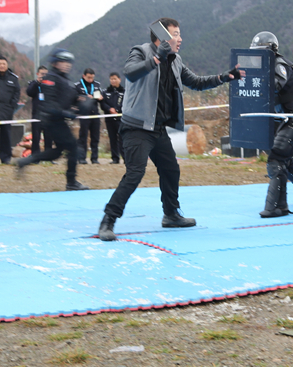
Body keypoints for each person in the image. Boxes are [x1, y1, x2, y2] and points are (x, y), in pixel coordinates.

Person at [97, 17, 243, 240]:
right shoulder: (141, 51)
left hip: (157, 129)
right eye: (175, 34)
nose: (180, 39)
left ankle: (171, 214)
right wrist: (156, 58)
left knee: (171, 169)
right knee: (135, 173)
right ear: (162, 37)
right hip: (136, 127)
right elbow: (130, 72)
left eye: (179, 34)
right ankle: (108, 220)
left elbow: (196, 82)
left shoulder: (176, 60)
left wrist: (223, 77)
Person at [246, 31, 293, 218]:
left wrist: (252, 83)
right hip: (284, 118)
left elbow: (275, 85)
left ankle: (277, 207)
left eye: (260, 52)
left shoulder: (279, 65)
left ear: (270, 51)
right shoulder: (266, 68)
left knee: (277, 155)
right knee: (284, 157)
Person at [16, 50, 89, 191]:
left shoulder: (65, 79)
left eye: (68, 62)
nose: (67, 65)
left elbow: (70, 97)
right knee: (73, 147)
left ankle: (26, 161)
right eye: (63, 62)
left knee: (57, 152)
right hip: (52, 120)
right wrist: (67, 113)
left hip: (58, 119)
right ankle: (71, 182)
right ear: (55, 63)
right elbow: (49, 104)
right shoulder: (50, 78)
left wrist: (82, 101)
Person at [75, 68, 103, 164]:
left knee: (95, 137)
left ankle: (94, 158)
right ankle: (82, 158)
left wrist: (99, 98)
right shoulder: (77, 86)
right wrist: (85, 97)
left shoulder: (97, 85)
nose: (90, 79)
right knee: (83, 137)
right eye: (88, 77)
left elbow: (100, 96)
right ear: (84, 76)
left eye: (92, 77)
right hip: (84, 114)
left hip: (95, 114)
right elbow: (74, 97)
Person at [26, 65, 54, 158]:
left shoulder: (50, 85)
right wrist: (37, 83)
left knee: (49, 137)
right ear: (37, 74)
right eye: (42, 74)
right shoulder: (33, 84)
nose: (43, 76)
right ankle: (35, 156)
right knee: (36, 137)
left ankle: (48, 156)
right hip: (37, 115)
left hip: (48, 115)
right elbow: (29, 92)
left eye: (45, 74)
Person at [101, 72, 125, 164]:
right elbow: (103, 103)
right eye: (111, 79)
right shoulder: (106, 92)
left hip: (120, 119)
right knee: (112, 138)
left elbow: (126, 103)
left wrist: (117, 110)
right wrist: (109, 109)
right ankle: (115, 158)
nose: (113, 81)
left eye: (115, 79)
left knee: (122, 138)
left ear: (119, 79)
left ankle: (125, 158)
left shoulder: (124, 92)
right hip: (109, 119)